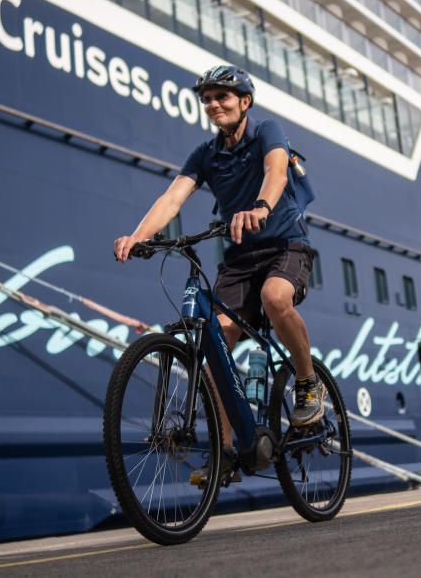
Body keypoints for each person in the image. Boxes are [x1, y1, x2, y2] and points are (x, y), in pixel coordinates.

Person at [114, 65, 324, 486]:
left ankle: (308, 384)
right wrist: (139, 235)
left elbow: (276, 172)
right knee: (215, 349)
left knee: (275, 298)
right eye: (206, 99)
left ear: (244, 101)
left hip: (284, 247)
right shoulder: (205, 155)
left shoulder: (268, 131)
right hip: (239, 259)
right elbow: (173, 196)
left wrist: (261, 208)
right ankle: (226, 451)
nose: (213, 105)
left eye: (222, 97)